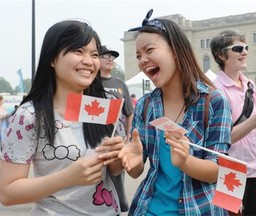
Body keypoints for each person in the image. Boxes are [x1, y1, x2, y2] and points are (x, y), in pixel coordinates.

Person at [0, 20, 126, 215]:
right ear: (52, 58)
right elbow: (7, 193)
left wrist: (123, 156)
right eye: (78, 51)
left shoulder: (105, 107)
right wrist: (68, 177)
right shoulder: (30, 116)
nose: (89, 61)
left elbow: (114, 171)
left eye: (94, 54)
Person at [118, 9, 233, 215]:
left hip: (199, 209)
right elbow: (136, 171)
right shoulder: (145, 105)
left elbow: (218, 171)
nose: (143, 60)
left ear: (175, 51)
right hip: (148, 209)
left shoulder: (214, 102)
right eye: (138, 55)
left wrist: (186, 162)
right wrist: (131, 161)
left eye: (149, 50)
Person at [210, 30, 256, 216]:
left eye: (245, 48)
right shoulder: (215, 89)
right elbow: (221, 139)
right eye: (238, 48)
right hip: (230, 173)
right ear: (221, 55)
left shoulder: (250, 85)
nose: (244, 52)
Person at [99, 45, 134, 212]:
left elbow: (129, 112)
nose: (110, 59)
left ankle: (119, 206)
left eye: (112, 57)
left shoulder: (120, 83)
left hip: (117, 138)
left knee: (117, 174)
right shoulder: (90, 83)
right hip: (95, 139)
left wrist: (128, 135)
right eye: (105, 56)